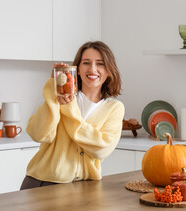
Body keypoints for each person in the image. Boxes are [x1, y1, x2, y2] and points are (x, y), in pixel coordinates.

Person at [20, 41, 124, 190]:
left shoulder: (114, 108)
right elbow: (39, 134)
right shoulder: (58, 97)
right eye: (86, 63)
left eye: (100, 64)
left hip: (86, 188)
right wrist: (53, 91)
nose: (92, 69)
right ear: (78, 70)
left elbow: (101, 149)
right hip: (42, 183)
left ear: (109, 71)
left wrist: (68, 108)